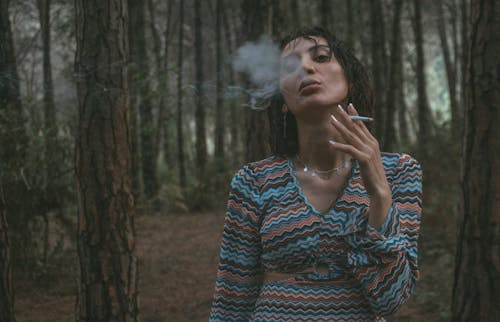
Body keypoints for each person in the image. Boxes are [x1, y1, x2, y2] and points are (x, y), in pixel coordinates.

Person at [209, 27, 422, 322]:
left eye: (321, 57)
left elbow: (391, 298)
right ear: (282, 98)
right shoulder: (254, 181)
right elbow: (231, 302)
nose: (306, 67)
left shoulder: (400, 172)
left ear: (349, 79)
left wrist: (379, 192)